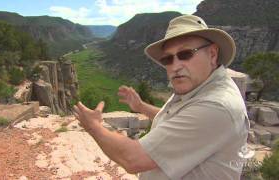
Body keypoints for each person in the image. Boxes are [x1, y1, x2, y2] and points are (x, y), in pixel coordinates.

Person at [73, 15, 249, 180]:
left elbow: (132, 158)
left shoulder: (216, 107)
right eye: (168, 59)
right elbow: (182, 119)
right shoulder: (198, 86)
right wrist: (141, 106)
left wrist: (93, 126)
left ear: (212, 54)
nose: (175, 66)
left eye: (185, 54)